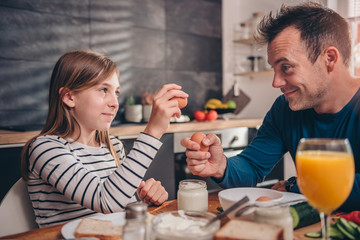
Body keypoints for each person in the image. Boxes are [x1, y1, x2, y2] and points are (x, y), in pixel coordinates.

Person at [181, 2, 360, 212]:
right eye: (274, 69)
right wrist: (221, 166)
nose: (276, 83)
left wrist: (295, 185)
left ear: (329, 58)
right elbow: (251, 167)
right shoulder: (285, 108)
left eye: (286, 67)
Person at [21, 50, 188, 227]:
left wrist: (144, 201)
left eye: (116, 92)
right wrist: (153, 131)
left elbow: (120, 209)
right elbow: (106, 200)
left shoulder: (113, 147)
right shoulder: (45, 148)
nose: (115, 102)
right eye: (103, 90)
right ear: (70, 97)